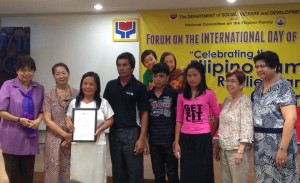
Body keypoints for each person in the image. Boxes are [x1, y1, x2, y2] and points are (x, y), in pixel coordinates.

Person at [252, 51, 298, 182]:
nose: (259, 69)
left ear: (274, 66)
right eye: (257, 66)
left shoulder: (283, 86)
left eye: (263, 66)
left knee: (282, 177)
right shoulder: (259, 87)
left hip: (279, 142)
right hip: (261, 146)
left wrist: (282, 149)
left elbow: (291, 119)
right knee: (263, 177)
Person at [104, 52, 150, 183]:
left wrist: (142, 138)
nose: (121, 68)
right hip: (114, 134)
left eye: (125, 65)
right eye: (118, 65)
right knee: (118, 173)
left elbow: (144, 113)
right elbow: (104, 109)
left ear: (132, 68)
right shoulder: (110, 85)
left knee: (134, 172)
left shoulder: (139, 87)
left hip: (132, 133)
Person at [173, 61, 220, 183]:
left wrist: (210, 135)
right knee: (187, 171)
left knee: (204, 171)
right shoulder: (181, 95)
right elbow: (179, 120)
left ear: (202, 76)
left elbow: (217, 116)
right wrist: (177, 142)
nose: (192, 78)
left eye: (195, 75)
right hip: (185, 137)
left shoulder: (209, 94)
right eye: (189, 75)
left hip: (203, 138)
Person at [0, 56, 44, 183]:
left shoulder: (39, 88)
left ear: (34, 71)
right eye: (23, 70)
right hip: (11, 136)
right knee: (12, 176)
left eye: (30, 70)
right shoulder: (8, 85)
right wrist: (19, 119)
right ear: (17, 71)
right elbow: (1, 111)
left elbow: (42, 111)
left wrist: (38, 120)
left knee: (27, 176)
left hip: (29, 137)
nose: (26, 73)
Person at [65, 71, 114, 183]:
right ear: (81, 85)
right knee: (78, 173)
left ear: (97, 87)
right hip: (79, 145)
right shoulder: (75, 102)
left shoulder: (103, 102)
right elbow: (68, 116)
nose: (87, 86)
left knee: (96, 173)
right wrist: (68, 122)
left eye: (91, 84)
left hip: (96, 144)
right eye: (85, 83)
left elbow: (111, 119)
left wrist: (100, 129)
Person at [214, 69, 253, 183]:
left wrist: (240, 151)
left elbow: (247, 127)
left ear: (241, 84)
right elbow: (224, 124)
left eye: (233, 81)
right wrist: (218, 143)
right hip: (224, 149)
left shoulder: (245, 102)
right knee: (226, 181)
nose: (229, 84)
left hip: (237, 150)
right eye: (228, 81)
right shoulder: (227, 100)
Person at [43, 63, 79, 183]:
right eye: (57, 74)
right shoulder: (49, 94)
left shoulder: (77, 94)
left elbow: (80, 117)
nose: (61, 76)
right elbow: (47, 120)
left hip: (73, 137)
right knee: (52, 171)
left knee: (71, 170)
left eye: (64, 73)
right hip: (53, 138)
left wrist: (70, 137)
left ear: (68, 74)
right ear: (54, 76)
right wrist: (65, 135)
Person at [146, 63, 179, 183]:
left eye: (161, 76)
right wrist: (145, 138)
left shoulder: (173, 94)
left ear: (167, 78)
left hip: (170, 140)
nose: (158, 79)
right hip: (154, 140)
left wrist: (176, 140)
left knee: (172, 172)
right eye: (155, 76)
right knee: (158, 173)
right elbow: (145, 118)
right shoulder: (148, 95)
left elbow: (178, 118)